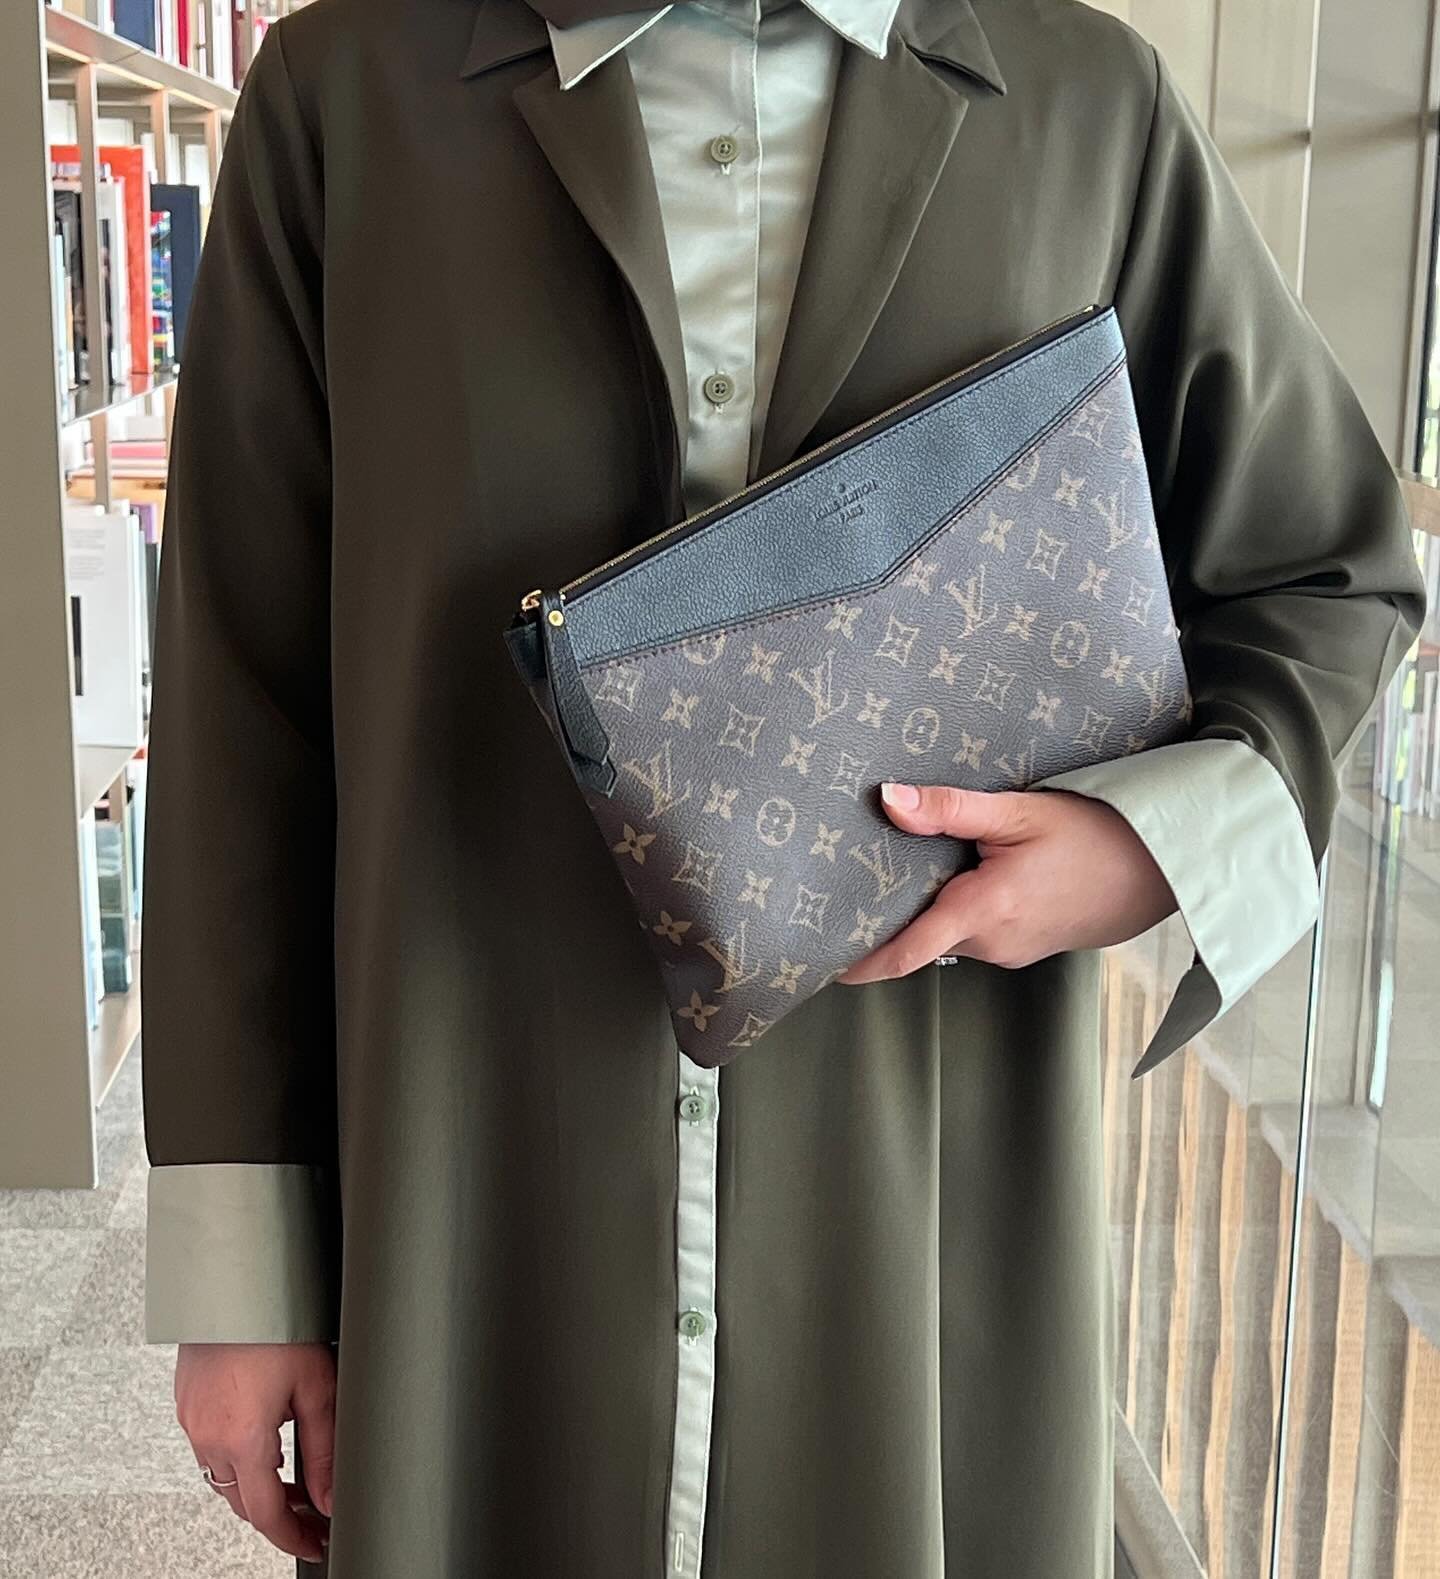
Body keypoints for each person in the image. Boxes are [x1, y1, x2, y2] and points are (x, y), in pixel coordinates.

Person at [138, 0, 1427, 1573]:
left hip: (918, 1199)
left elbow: (1325, 571)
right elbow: (244, 700)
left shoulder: (1090, 107)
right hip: (473, 1186)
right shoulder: (345, 100)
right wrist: (244, 1280)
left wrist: (1145, 842)